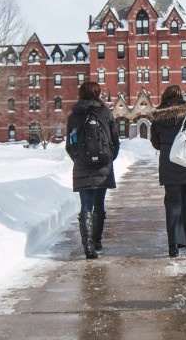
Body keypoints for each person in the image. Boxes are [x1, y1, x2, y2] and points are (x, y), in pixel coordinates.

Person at [150, 85, 186, 258]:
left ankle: (173, 243)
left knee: (173, 203)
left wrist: (168, 145)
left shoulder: (157, 116)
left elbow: (155, 143)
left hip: (169, 162)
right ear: (180, 96)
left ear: (164, 97)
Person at [66, 82, 120, 259]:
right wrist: (108, 159)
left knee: (86, 205)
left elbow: (69, 145)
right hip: (102, 165)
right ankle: (96, 241)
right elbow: (115, 142)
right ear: (98, 93)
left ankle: (88, 245)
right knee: (99, 204)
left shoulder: (74, 116)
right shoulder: (105, 113)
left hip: (82, 165)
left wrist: (78, 159)